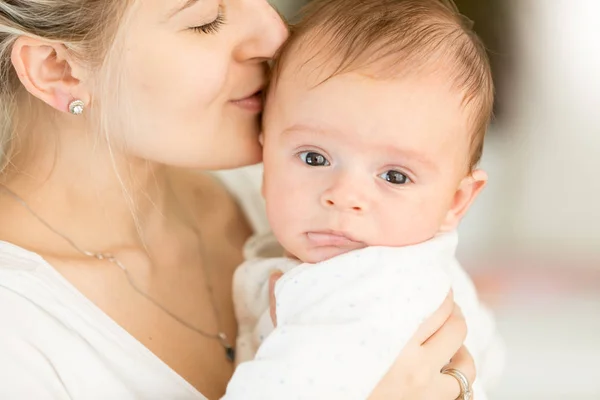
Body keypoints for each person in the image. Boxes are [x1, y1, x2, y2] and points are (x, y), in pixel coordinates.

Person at [0, 0, 474, 399]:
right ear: (57, 69)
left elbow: (476, 362)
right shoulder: (18, 336)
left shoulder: (306, 193)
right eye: (206, 18)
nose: (274, 34)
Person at [229, 0, 504, 399]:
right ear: (264, 153)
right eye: (314, 158)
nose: (343, 196)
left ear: (456, 202)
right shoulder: (427, 267)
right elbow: (489, 354)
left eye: (394, 176)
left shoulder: (358, 286)